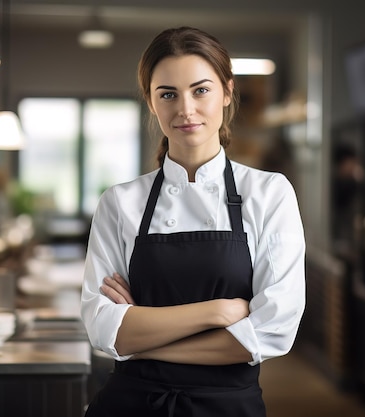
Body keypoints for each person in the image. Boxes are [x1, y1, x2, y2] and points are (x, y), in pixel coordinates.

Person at [80, 26, 306, 417]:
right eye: (167, 94)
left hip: (228, 408)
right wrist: (217, 312)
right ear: (152, 103)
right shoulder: (119, 203)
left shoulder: (270, 193)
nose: (185, 109)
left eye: (201, 90)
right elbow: (103, 329)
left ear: (227, 92)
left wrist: (141, 341)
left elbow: (272, 331)